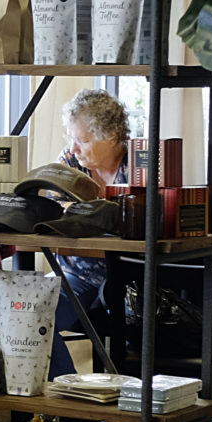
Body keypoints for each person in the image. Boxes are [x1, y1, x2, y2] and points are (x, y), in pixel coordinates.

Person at [45, 88, 130, 376]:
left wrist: (80, 209)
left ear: (113, 137)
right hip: (76, 273)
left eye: (82, 140)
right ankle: (71, 405)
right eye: (71, 138)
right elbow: (53, 210)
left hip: (131, 279)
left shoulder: (141, 164)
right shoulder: (70, 162)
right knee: (33, 315)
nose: (74, 148)